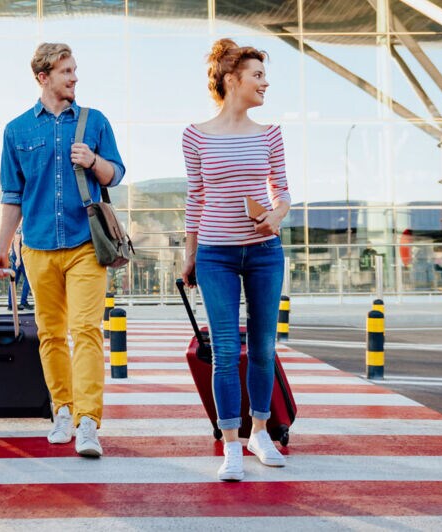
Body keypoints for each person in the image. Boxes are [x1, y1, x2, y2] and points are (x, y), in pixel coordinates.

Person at [0, 42, 126, 458]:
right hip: (38, 247)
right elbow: (12, 196)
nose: (74, 78)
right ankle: (62, 411)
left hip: (87, 243)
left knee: (85, 330)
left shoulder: (95, 121)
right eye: (66, 71)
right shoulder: (17, 130)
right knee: (49, 335)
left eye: (75, 70)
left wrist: (93, 161)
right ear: (43, 77)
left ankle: (88, 422)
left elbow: (116, 173)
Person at [181, 38, 291, 481]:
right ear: (232, 80)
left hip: (265, 253)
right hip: (216, 256)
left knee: (263, 348)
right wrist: (188, 256)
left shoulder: (270, 134)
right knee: (226, 351)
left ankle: (260, 432)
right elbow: (196, 198)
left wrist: (275, 217)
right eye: (257, 75)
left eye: (265, 76)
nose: (265, 83)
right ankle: (231, 445)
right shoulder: (195, 135)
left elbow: (282, 192)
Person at [7, 228, 33, 311]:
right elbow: (16, 243)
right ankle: (23, 302)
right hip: (19, 257)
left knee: (14, 281)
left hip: (18, 257)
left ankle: (11, 304)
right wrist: (18, 258)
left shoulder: (19, 227)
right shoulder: (19, 227)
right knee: (28, 278)